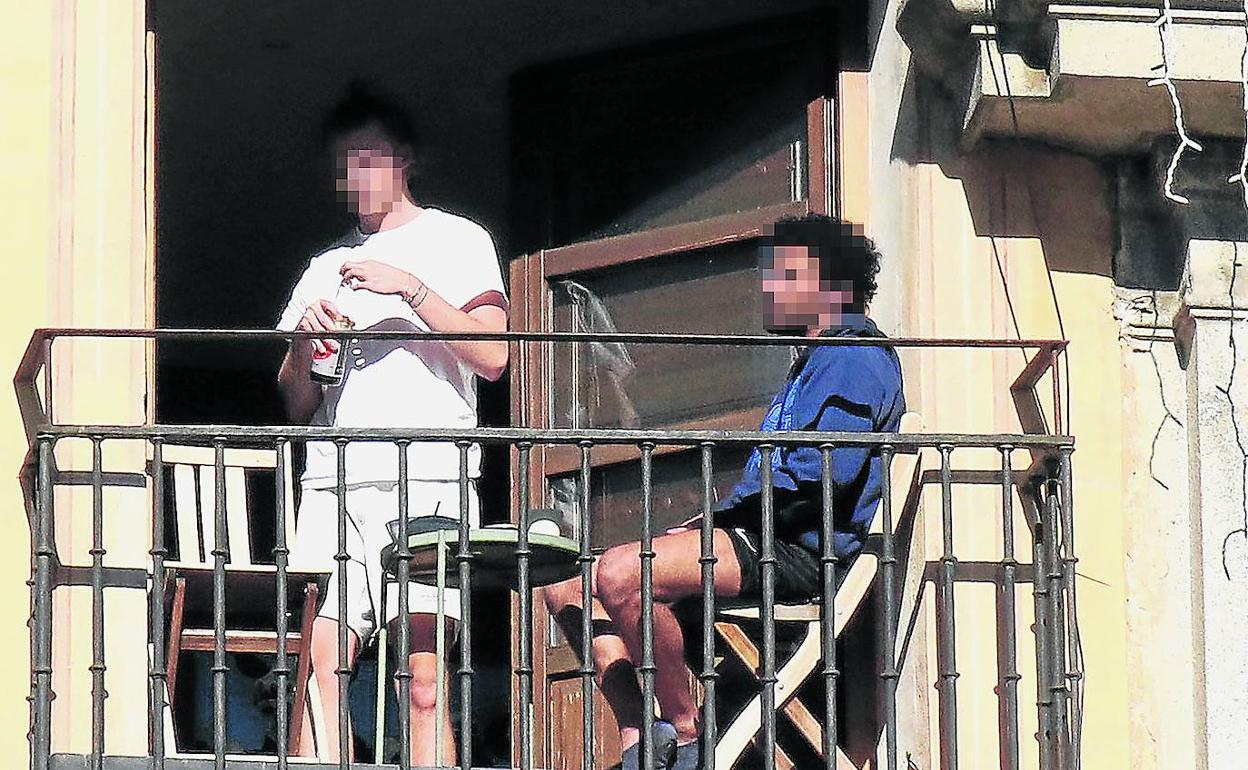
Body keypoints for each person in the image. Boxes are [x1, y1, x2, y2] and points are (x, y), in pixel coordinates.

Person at [542, 213, 905, 770]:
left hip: (803, 549)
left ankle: (687, 736)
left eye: (782, 272)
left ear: (824, 280)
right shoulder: (810, 365)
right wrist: (708, 527)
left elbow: (818, 479)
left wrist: (722, 525)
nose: (768, 286)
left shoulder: (854, 358)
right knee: (565, 586)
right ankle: (644, 733)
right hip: (762, 535)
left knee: (622, 573)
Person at [276, 83, 508, 765]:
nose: (355, 175)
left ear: (405, 157)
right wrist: (301, 344)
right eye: (343, 162)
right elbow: (296, 400)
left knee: (424, 678)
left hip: (429, 476)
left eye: (368, 156)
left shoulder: (459, 240)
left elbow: (493, 354)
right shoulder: (323, 267)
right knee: (321, 662)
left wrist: (407, 288)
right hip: (333, 483)